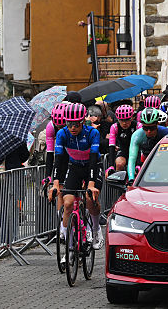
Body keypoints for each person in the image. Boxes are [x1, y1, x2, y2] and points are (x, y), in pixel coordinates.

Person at [48, 102, 103, 251]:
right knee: (67, 204)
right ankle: (67, 242)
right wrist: (55, 183)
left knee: (91, 200)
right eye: (69, 124)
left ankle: (96, 229)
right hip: (75, 168)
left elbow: (93, 158)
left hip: (93, 166)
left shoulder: (93, 133)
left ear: (82, 122)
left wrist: (91, 184)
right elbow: (58, 161)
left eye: (76, 125)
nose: (72, 128)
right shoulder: (62, 134)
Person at [127, 108, 168, 180]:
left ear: (157, 124)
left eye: (152, 128)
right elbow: (132, 159)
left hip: (164, 164)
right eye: (145, 128)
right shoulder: (137, 135)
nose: (149, 131)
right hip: (146, 163)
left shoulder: (166, 133)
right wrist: (131, 179)